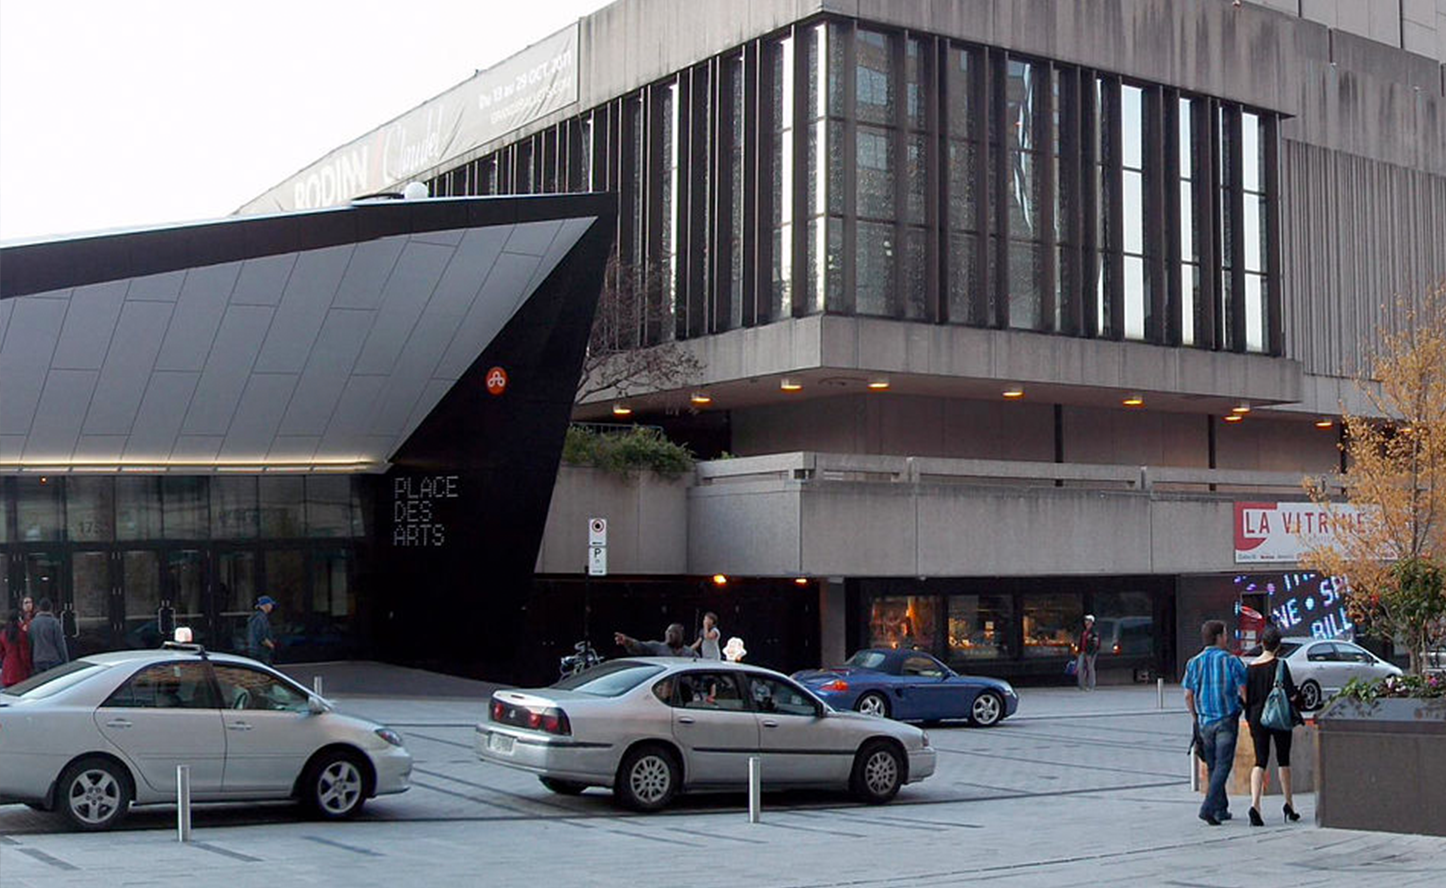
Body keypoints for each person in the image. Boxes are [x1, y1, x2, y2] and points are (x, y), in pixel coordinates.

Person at [1183, 619, 1248, 826]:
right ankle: (1208, 807)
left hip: (1204, 721)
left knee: (1212, 765)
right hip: (1226, 718)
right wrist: (1246, 708)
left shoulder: (1194, 662)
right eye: (1225, 634)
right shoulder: (1231, 661)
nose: (1227, 638)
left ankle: (1221, 809)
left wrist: (1195, 716)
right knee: (1223, 765)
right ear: (1219, 637)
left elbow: (1188, 695)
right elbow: (1243, 689)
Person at [1245, 625, 1302, 826]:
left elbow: (1246, 696)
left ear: (1261, 643)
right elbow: (1291, 694)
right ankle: (1289, 805)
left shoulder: (1250, 667)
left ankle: (1255, 805)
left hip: (1256, 717)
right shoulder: (1280, 665)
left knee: (1260, 761)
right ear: (1278, 646)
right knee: (1283, 760)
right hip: (1278, 717)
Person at [28, 598, 69, 675]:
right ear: (51, 608)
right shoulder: (54, 622)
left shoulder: (33, 623)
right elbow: (60, 643)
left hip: (37, 659)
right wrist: (65, 660)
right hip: (53, 659)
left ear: (39, 608)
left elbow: (30, 643)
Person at [614, 623, 698, 658]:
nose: (669, 634)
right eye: (668, 631)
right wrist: (627, 641)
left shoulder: (690, 653)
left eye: (673, 632)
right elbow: (640, 647)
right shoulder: (657, 647)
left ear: (681, 635)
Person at [1, 610, 32, 687]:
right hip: (19, 669)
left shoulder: (3, 634)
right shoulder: (21, 634)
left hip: (7, 667)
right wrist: (29, 667)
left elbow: (1, 652)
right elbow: (24, 654)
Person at [248, 595, 277, 665]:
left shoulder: (256, 617)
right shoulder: (261, 618)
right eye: (270, 604)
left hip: (255, 650)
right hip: (261, 652)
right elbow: (261, 637)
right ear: (265, 605)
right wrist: (271, 646)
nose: (271, 607)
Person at [1077, 614, 1100, 690]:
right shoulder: (1084, 631)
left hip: (1090, 653)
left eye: (1087, 620)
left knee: (1090, 668)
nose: (1086, 622)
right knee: (1080, 667)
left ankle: (1091, 685)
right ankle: (1081, 685)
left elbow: (1096, 644)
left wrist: (1092, 653)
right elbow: (1081, 641)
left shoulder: (1094, 632)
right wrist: (1079, 650)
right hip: (1082, 652)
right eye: (1085, 620)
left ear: (1091, 622)